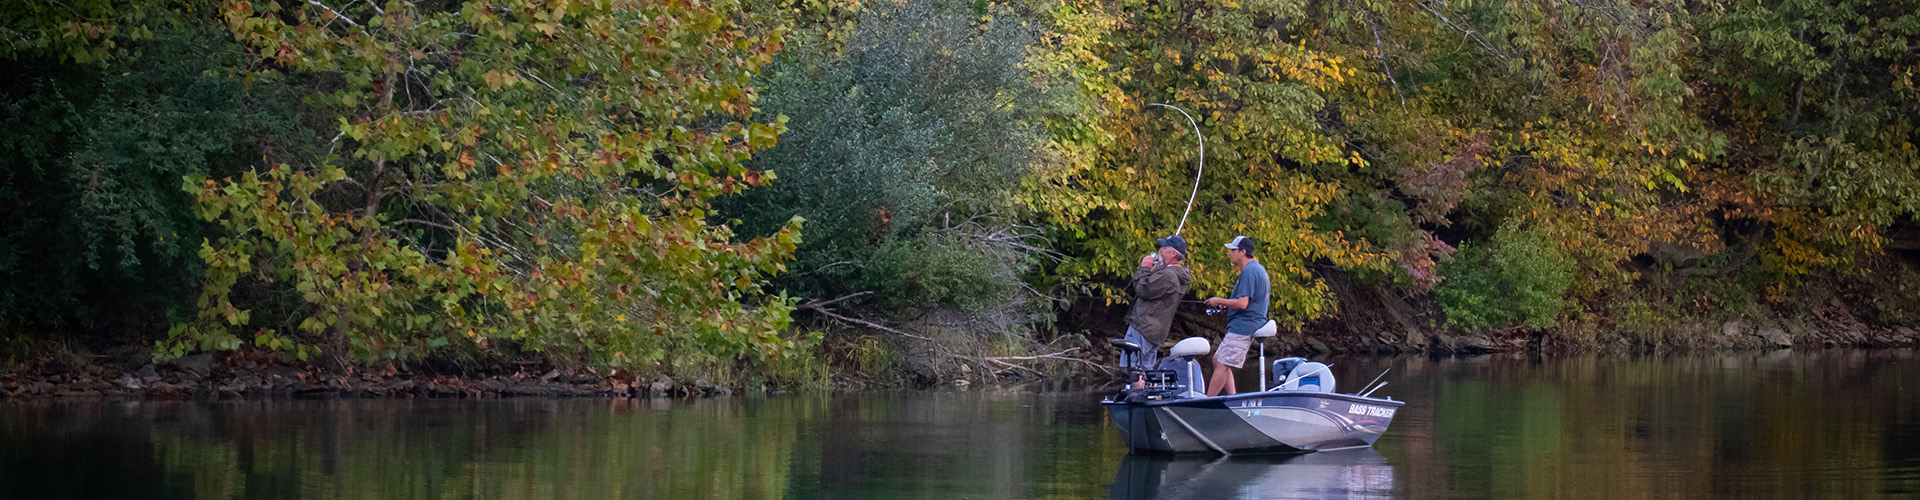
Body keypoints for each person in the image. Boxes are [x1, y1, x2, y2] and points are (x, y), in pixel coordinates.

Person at [1121, 235, 1193, 388]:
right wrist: (1158, 267)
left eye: (1164, 248)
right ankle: (1151, 397)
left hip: (1144, 326)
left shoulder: (1168, 275)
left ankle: (1139, 398)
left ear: (1173, 253)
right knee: (1145, 369)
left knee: (1132, 367)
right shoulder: (1177, 275)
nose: (1160, 250)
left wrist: (1145, 268)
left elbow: (1143, 289)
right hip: (1157, 330)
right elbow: (1156, 287)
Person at [1203, 235, 1269, 396]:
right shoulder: (1255, 269)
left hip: (1245, 325)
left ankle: (1206, 402)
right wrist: (1225, 305)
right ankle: (1232, 397)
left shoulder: (1249, 272)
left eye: (1233, 250)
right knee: (1218, 359)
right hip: (1246, 321)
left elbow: (1242, 303)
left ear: (1242, 252)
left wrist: (1219, 300)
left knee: (1222, 364)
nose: (1229, 253)